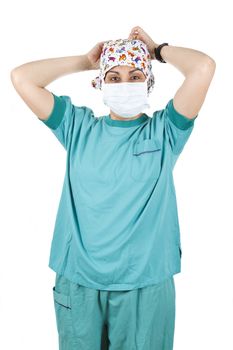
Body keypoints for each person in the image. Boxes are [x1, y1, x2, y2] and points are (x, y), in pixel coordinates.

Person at [10, 26, 216, 350]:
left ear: (148, 82)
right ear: (101, 82)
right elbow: (22, 78)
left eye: (135, 76)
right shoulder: (78, 128)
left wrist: (157, 50)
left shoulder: (163, 134)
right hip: (78, 283)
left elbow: (203, 68)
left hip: (143, 286)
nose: (124, 84)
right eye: (114, 76)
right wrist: (83, 61)